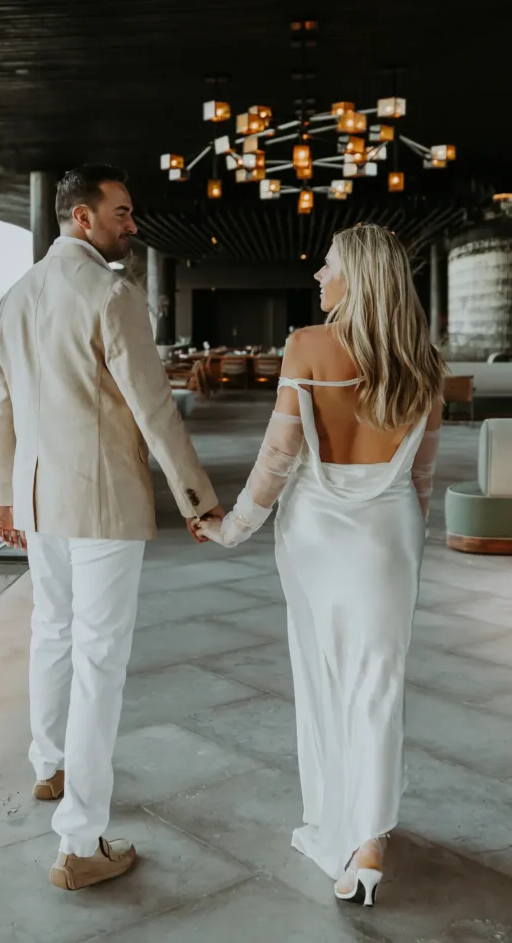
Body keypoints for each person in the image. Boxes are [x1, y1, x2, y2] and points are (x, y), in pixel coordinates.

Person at [0, 164, 222, 891]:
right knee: (99, 660)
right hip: (100, 500)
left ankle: (48, 765)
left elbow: (0, 406)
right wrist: (196, 498)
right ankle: (80, 842)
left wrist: (5, 497)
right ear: (82, 217)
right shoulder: (113, 294)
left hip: (38, 499)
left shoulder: (15, 296)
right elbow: (153, 406)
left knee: (52, 630)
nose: (133, 224)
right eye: (121, 212)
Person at [200, 224, 443, 907]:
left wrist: (233, 528)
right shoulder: (423, 359)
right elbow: (421, 477)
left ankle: (340, 820)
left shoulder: (308, 344)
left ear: (357, 276)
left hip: (315, 534)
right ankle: (371, 842)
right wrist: (406, 540)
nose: (318, 276)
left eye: (328, 265)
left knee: (322, 676)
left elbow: (278, 457)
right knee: (380, 682)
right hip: (391, 533)